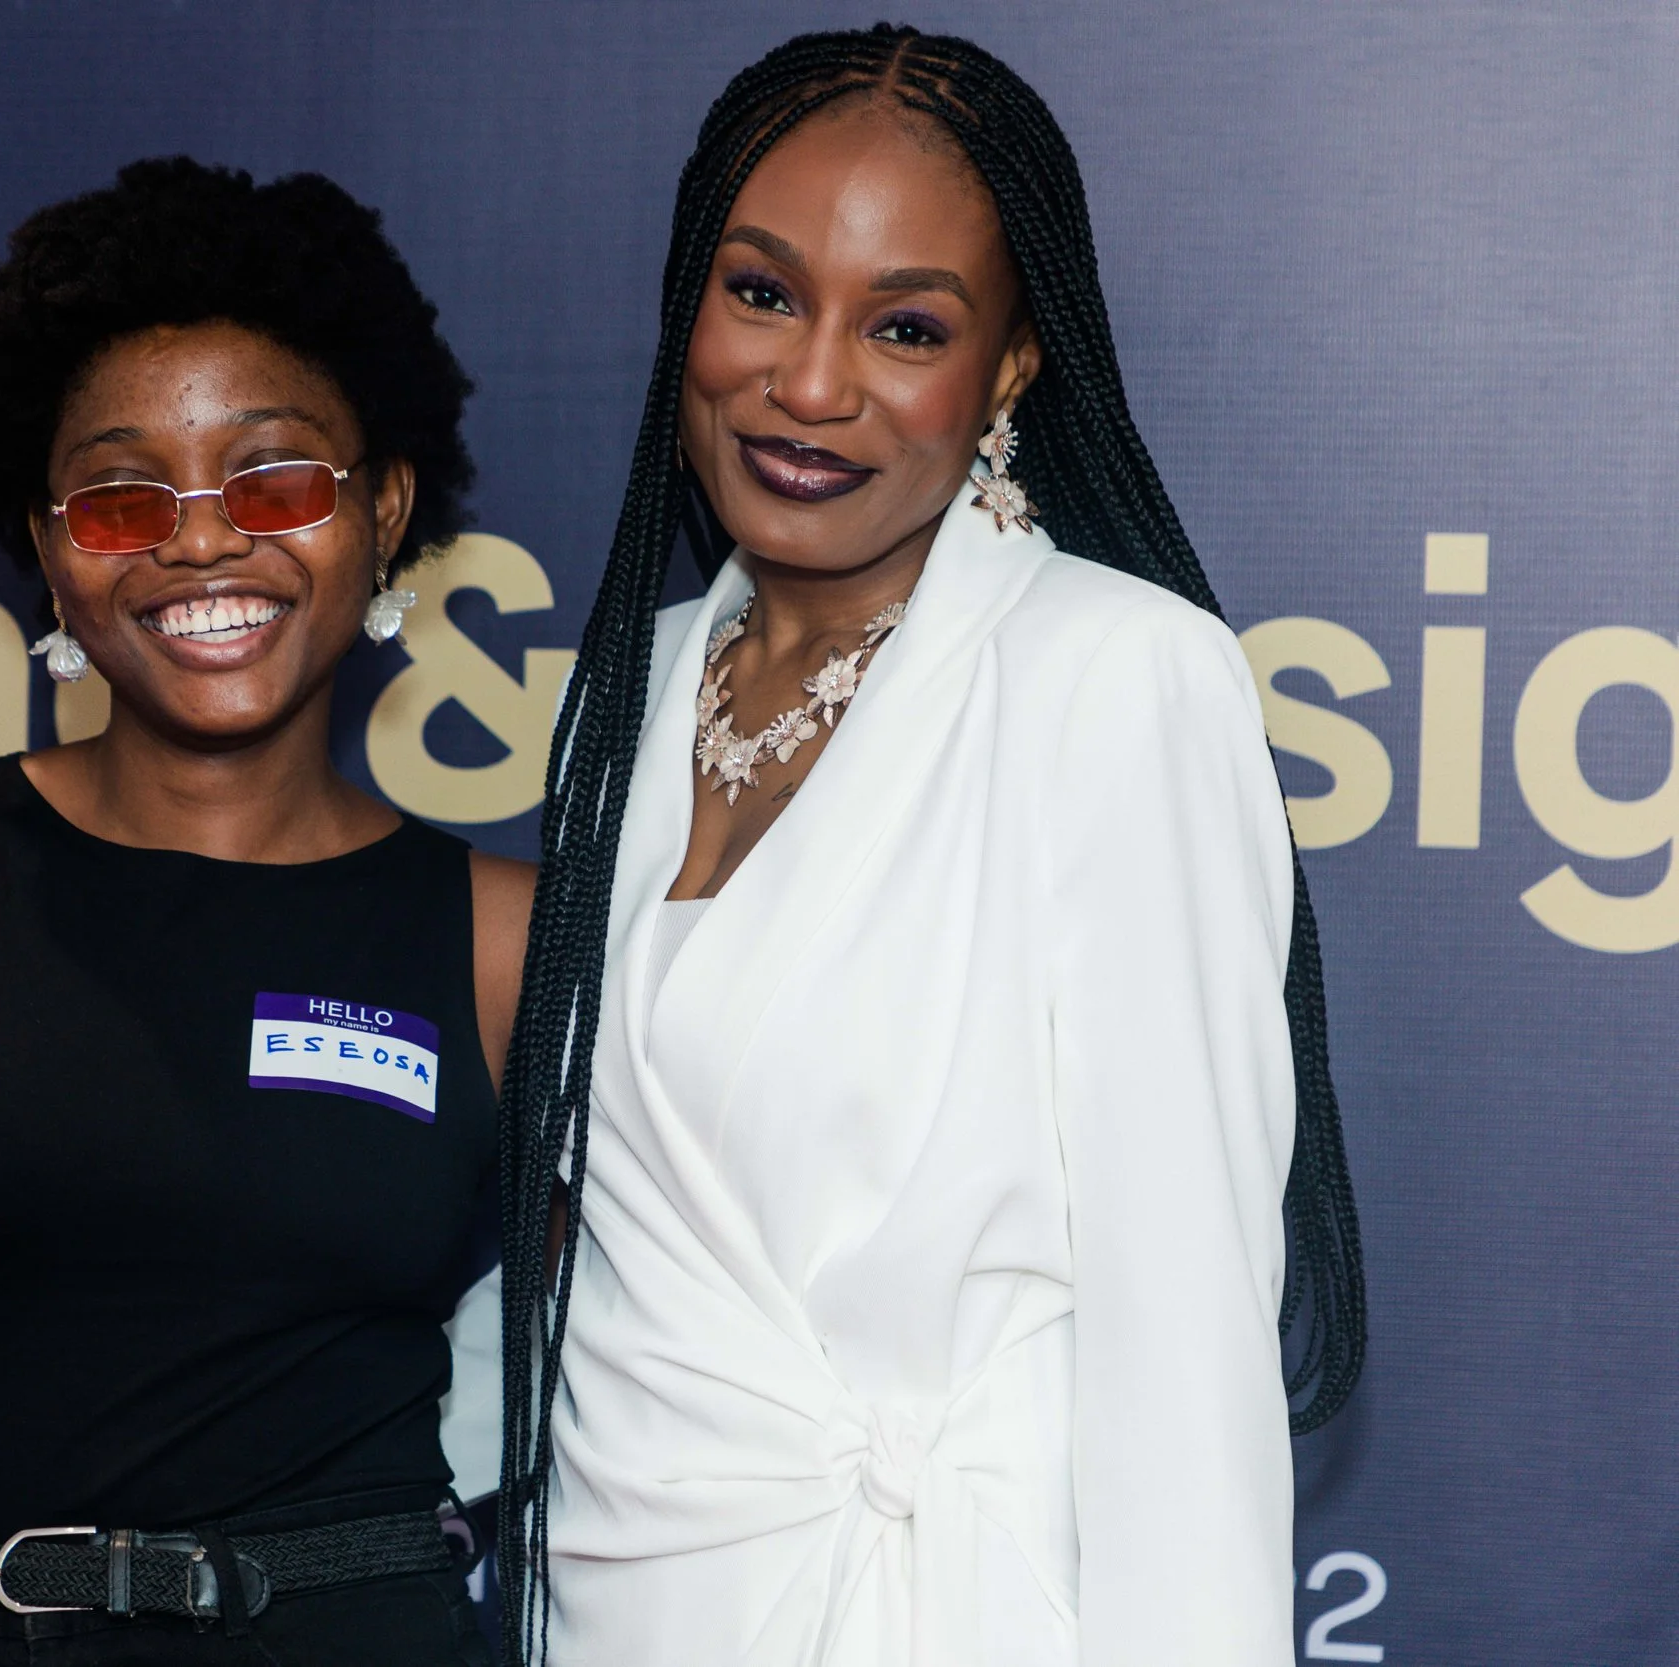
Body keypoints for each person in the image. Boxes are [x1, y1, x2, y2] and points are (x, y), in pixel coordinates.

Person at [493, 27, 1367, 1665]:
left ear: (1013, 368)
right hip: (621, 1603)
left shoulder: (1117, 678)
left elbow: (1185, 1350)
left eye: (905, 327)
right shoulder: (638, 678)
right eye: (759, 292)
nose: (810, 383)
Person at [0, 157, 527, 1667]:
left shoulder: (508, 935)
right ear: (52, 554)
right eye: (124, 500)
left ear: (381, 508)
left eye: (274, 480)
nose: (201, 543)